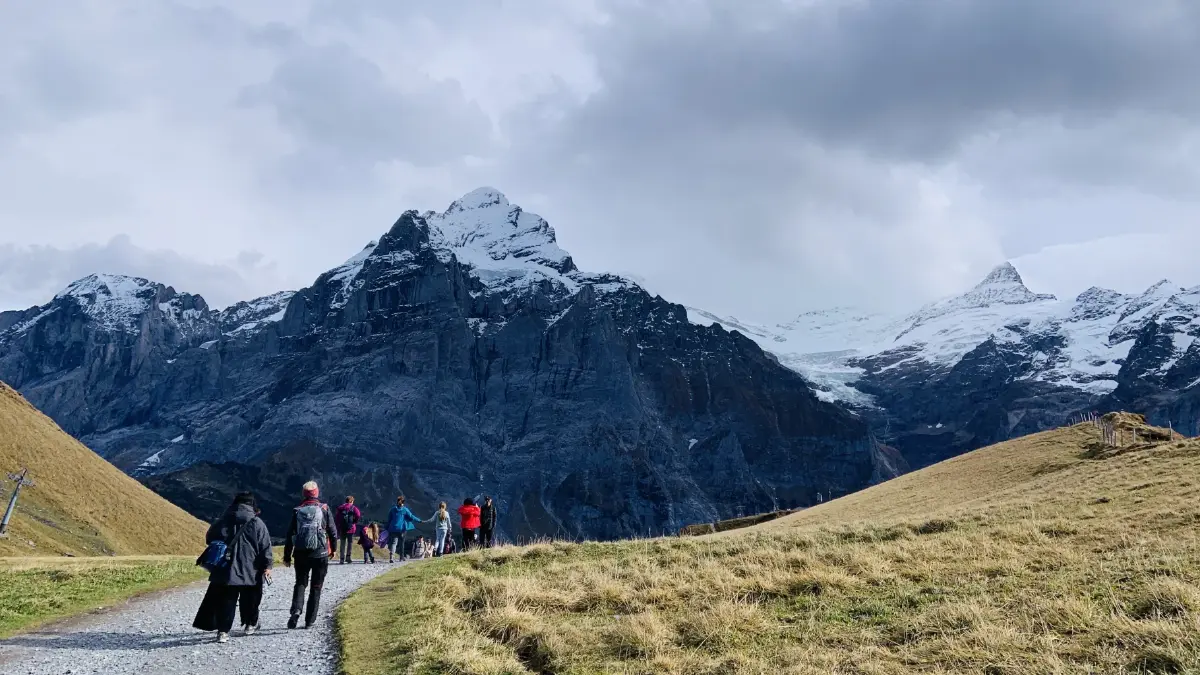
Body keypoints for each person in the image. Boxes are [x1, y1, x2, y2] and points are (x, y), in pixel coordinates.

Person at [192, 492, 273, 644]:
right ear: (252, 505)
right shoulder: (257, 522)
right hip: (251, 569)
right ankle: (250, 624)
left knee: (226, 600)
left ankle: (223, 632)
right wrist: (267, 566)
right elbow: (265, 546)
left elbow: (209, 538)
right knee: (251, 598)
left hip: (226, 569)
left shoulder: (224, 519)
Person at [283, 480, 338, 629]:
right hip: (320, 553)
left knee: (300, 583)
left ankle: (296, 611)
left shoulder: (297, 510)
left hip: (300, 553)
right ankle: (309, 620)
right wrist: (333, 549)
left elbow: (290, 534)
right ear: (317, 493)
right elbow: (332, 531)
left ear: (304, 494)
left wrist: (287, 556)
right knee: (316, 586)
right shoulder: (324, 508)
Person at [385, 496, 420, 563]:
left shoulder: (392, 509)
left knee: (394, 543)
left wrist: (387, 527)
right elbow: (411, 516)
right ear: (403, 503)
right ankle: (401, 558)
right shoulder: (405, 510)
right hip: (402, 530)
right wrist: (419, 520)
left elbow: (389, 519)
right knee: (401, 543)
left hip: (393, 529)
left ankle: (391, 557)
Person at [335, 496, 362, 564]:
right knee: (350, 543)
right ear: (351, 501)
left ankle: (341, 559)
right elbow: (358, 515)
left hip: (342, 528)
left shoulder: (341, 508)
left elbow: (337, 517)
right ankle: (348, 557)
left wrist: (339, 525)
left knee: (342, 543)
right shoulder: (353, 508)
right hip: (351, 528)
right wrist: (354, 521)